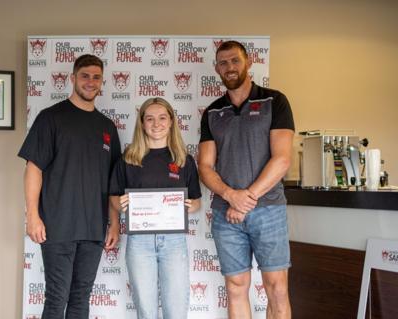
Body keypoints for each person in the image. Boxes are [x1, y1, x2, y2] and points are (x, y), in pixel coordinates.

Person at [18, 54, 121, 319]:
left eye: (96, 77)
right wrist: (32, 216)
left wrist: (114, 222)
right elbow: (34, 168)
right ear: (72, 78)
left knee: (80, 298)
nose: (90, 82)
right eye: (85, 75)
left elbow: (113, 182)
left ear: (102, 82)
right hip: (58, 225)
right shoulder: (51, 118)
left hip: (93, 229)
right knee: (56, 298)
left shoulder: (107, 127)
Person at [198, 41, 294, 319]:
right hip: (226, 214)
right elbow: (205, 167)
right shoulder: (212, 112)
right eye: (223, 63)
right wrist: (231, 196)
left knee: (276, 288)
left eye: (235, 60)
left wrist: (244, 200)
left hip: (269, 210)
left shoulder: (275, 101)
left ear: (248, 62)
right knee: (236, 286)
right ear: (216, 68)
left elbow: (282, 159)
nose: (230, 67)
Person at [109, 97, 201, 319]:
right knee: (146, 311)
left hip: (174, 242)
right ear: (142, 123)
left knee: (176, 310)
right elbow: (113, 196)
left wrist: (190, 206)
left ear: (171, 122)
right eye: (150, 118)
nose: (156, 123)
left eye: (162, 118)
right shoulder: (128, 159)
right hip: (139, 243)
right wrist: (119, 204)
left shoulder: (184, 160)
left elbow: (197, 201)